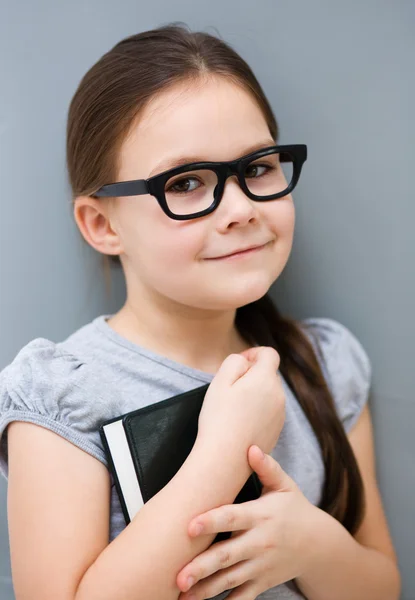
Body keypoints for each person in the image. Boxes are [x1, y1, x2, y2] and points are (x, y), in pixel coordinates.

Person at [0, 22, 400, 600]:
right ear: (102, 224)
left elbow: (382, 586)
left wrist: (309, 543)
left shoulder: (324, 363)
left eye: (258, 167)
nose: (239, 208)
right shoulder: (64, 394)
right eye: (186, 182)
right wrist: (221, 457)